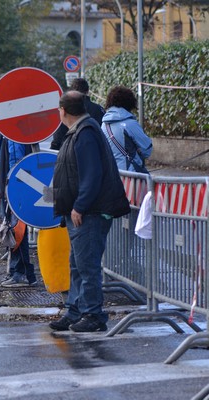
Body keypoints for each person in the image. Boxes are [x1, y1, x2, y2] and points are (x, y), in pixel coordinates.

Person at [49, 91, 130, 333]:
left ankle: (93, 315)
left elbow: (91, 175)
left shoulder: (85, 134)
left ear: (63, 111)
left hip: (88, 213)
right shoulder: (82, 131)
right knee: (77, 265)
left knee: (87, 266)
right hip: (82, 211)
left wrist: (79, 206)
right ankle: (75, 311)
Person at [0, 140, 38, 287]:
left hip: (13, 190)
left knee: (16, 233)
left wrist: (8, 189)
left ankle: (22, 273)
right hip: (11, 188)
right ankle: (16, 272)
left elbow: (15, 163)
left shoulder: (11, 135)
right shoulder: (10, 134)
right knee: (15, 233)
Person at [101, 85, 153, 172]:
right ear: (130, 103)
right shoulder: (130, 124)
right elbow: (147, 150)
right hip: (131, 175)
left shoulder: (104, 125)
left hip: (112, 173)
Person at [50, 78, 104, 150]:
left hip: (69, 152)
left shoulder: (66, 109)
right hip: (95, 151)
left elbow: (58, 137)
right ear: (87, 91)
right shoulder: (99, 109)